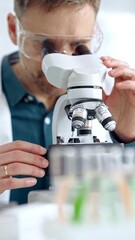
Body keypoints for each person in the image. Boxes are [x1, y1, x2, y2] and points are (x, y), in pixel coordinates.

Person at [1, 0, 135, 204]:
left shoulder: (117, 92)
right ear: (13, 29)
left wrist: (127, 136)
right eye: (45, 45)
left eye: (77, 44)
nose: (63, 59)